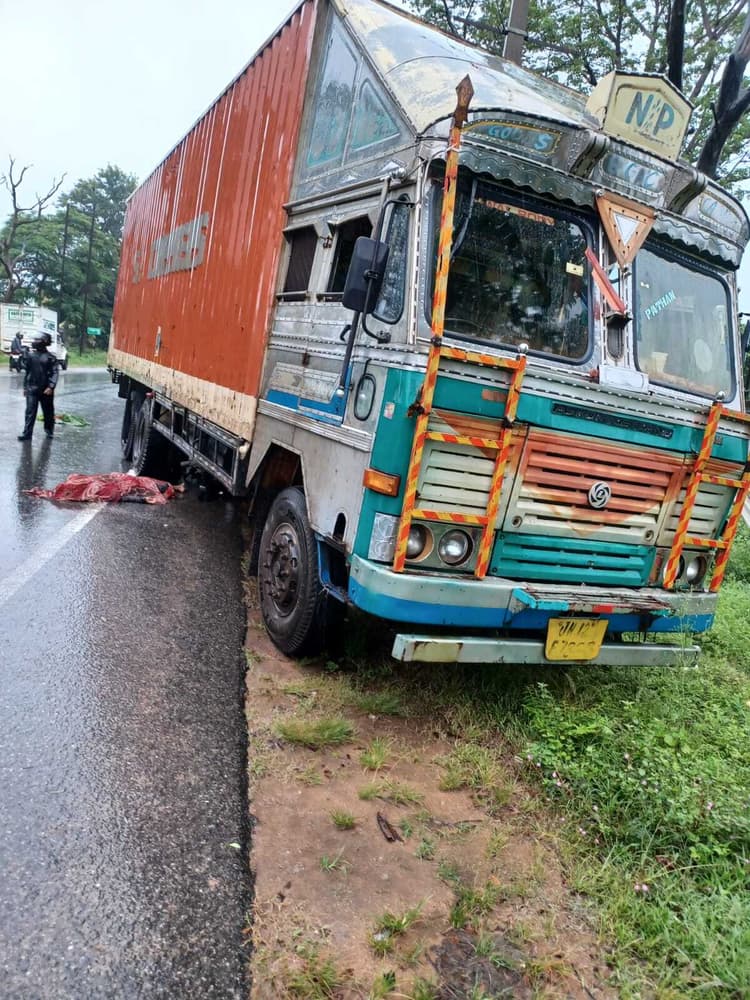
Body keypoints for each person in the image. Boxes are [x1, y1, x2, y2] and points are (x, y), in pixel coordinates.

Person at [18, 336, 58, 441]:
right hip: (32, 388)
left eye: (37, 340)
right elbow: (27, 371)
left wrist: (51, 386)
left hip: (46, 390)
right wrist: (25, 387)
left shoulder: (51, 357)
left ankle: (49, 431)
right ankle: (27, 433)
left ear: (45, 342)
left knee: (48, 412)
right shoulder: (31, 356)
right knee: (30, 412)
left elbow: (54, 373)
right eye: (35, 340)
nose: (35, 342)